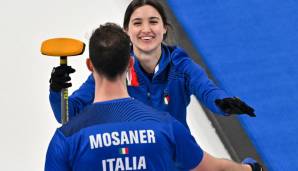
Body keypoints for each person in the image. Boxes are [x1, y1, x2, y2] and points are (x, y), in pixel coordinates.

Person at [45, 23, 263, 171]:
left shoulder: (66, 139)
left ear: (90, 65)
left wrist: (56, 90)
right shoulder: (166, 127)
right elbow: (213, 168)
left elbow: (67, 115)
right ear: (130, 64)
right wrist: (248, 168)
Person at [49, 0, 255, 128]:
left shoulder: (180, 65)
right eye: (137, 23)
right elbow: (68, 115)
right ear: (126, 31)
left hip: (176, 158)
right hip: (133, 158)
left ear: (164, 28)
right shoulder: (115, 67)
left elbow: (207, 91)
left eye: (153, 22)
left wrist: (223, 102)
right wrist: (58, 91)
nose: (146, 29)